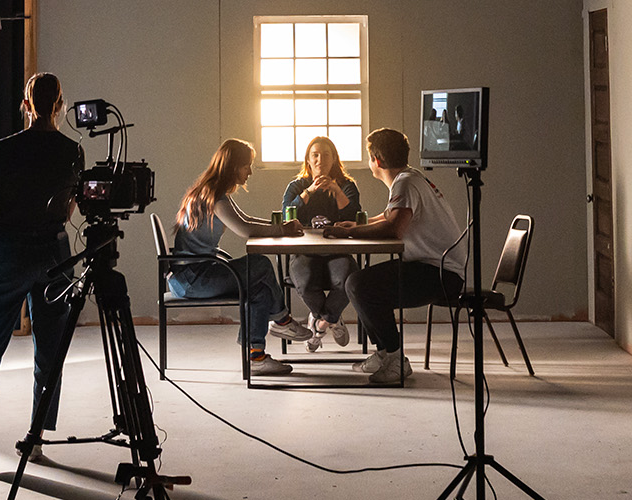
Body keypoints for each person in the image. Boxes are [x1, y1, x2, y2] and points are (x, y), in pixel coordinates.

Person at [0, 73, 83, 468]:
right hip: (55, 254)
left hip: (9, 251)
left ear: (25, 105)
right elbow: (68, 210)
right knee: (50, 351)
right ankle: (36, 440)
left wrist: (12, 228)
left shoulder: (4, 149)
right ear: (59, 106)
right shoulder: (73, 151)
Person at [324, 128, 466, 384]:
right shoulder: (411, 177)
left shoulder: (405, 182)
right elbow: (391, 215)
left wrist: (348, 235)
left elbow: (394, 227)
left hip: (441, 274)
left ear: (376, 160)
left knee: (359, 284)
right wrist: (355, 227)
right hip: (437, 269)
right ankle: (384, 353)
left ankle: (396, 359)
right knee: (358, 283)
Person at [170, 139, 319, 377]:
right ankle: (282, 321)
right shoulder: (214, 197)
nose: (250, 171)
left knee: (258, 289)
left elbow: (247, 220)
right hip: (193, 279)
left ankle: (256, 358)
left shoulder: (216, 193)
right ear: (232, 166)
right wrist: (282, 230)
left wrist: (280, 225)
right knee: (260, 263)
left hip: (196, 275)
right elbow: (244, 230)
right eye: (246, 166)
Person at [279, 136, 363, 352]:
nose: (320, 160)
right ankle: (332, 318)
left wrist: (336, 190)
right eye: (315, 155)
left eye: (326, 155)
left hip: (338, 251)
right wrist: (309, 192)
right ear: (308, 159)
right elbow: (287, 214)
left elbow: (354, 215)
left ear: (334, 159)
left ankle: (321, 323)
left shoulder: (347, 186)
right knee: (305, 284)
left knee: (348, 280)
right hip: (304, 251)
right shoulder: (296, 186)